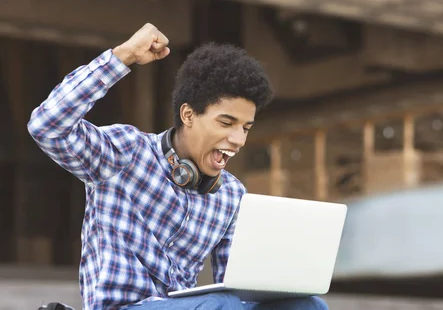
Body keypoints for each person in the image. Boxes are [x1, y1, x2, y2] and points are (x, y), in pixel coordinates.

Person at [27, 23, 329, 310]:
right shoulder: (125, 153)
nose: (238, 139)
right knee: (220, 305)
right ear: (188, 115)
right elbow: (47, 126)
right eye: (226, 123)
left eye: (246, 128)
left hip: (188, 305)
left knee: (306, 305)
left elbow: (234, 289)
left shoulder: (231, 194)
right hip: (122, 306)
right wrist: (124, 55)